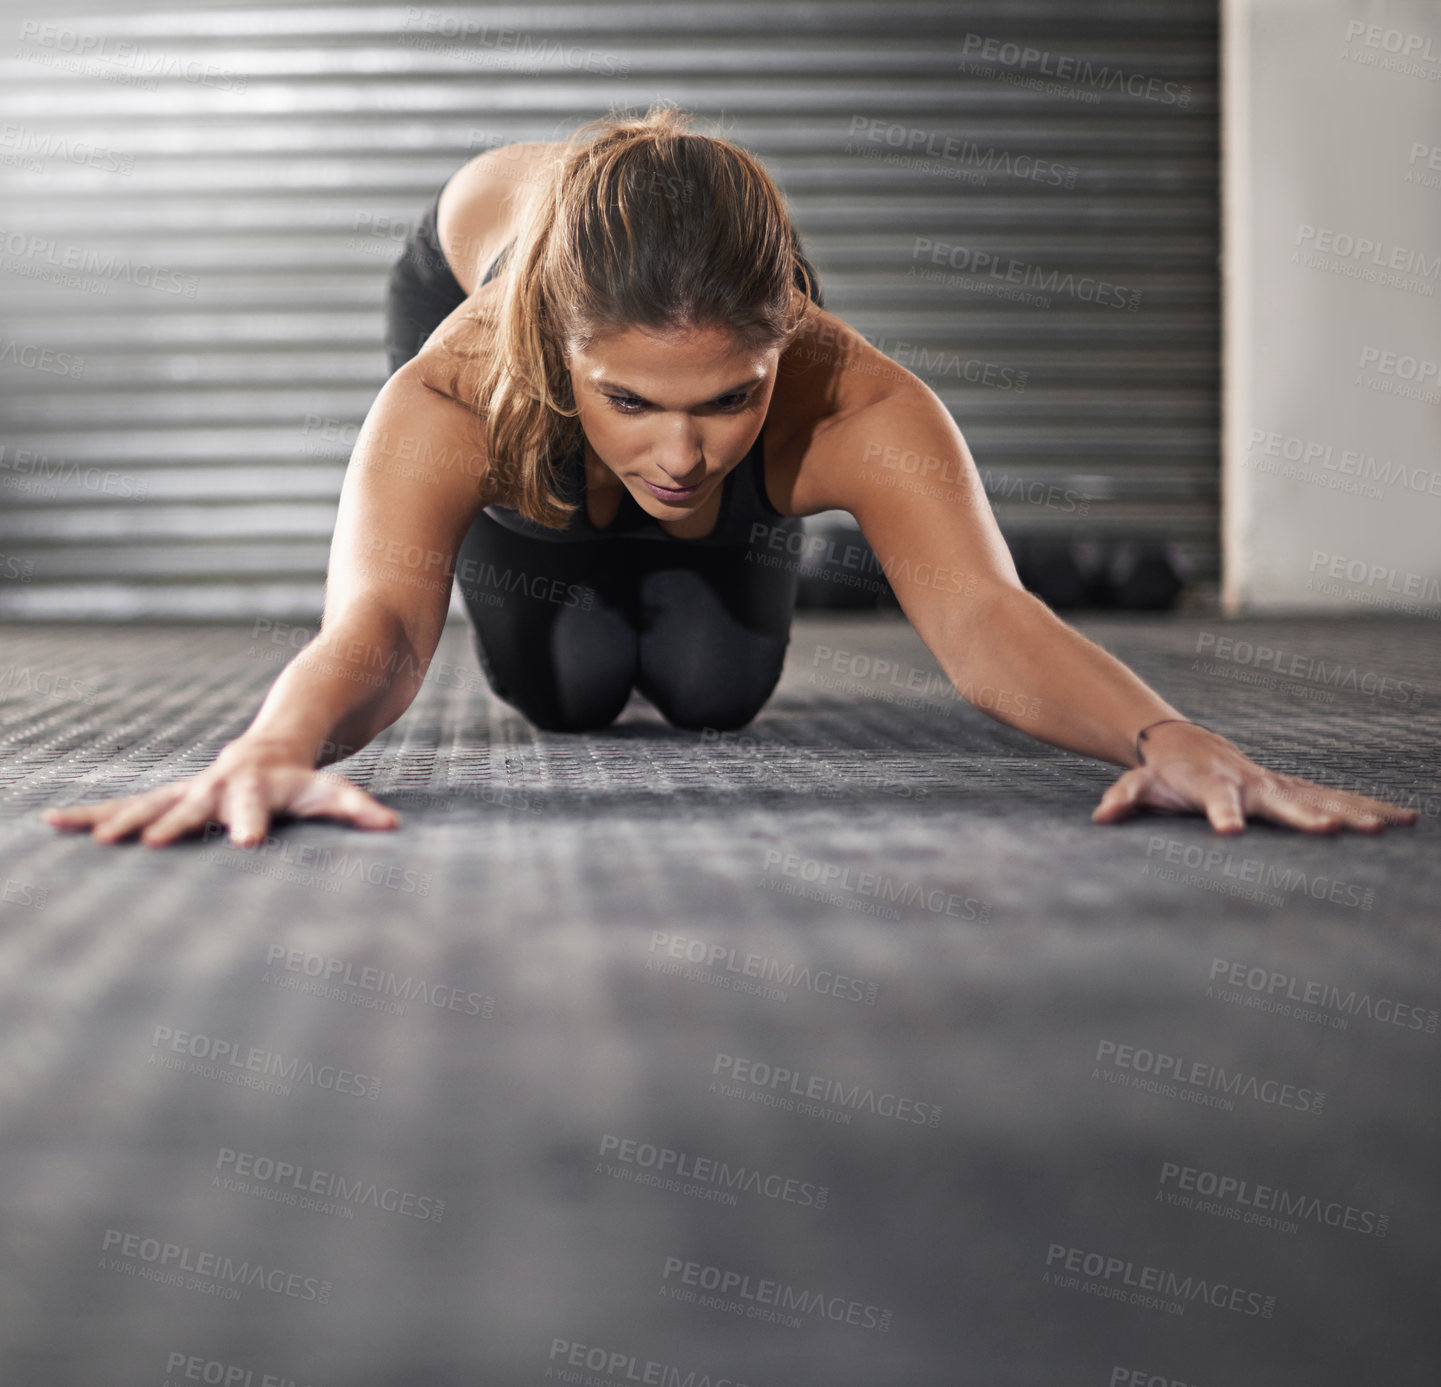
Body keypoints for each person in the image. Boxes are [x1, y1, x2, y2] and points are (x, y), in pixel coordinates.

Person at [42, 106, 1418, 849]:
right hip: (491, 306)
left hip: (697, 362)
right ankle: (627, 496)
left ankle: (818, 536)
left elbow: (985, 626)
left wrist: (1162, 736)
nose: (685, 448)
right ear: (560, 358)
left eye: (732, 399)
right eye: (633, 401)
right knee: (566, 696)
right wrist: (273, 751)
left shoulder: (849, 390)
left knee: (710, 694)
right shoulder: (461, 388)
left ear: (784, 340)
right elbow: (382, 628)